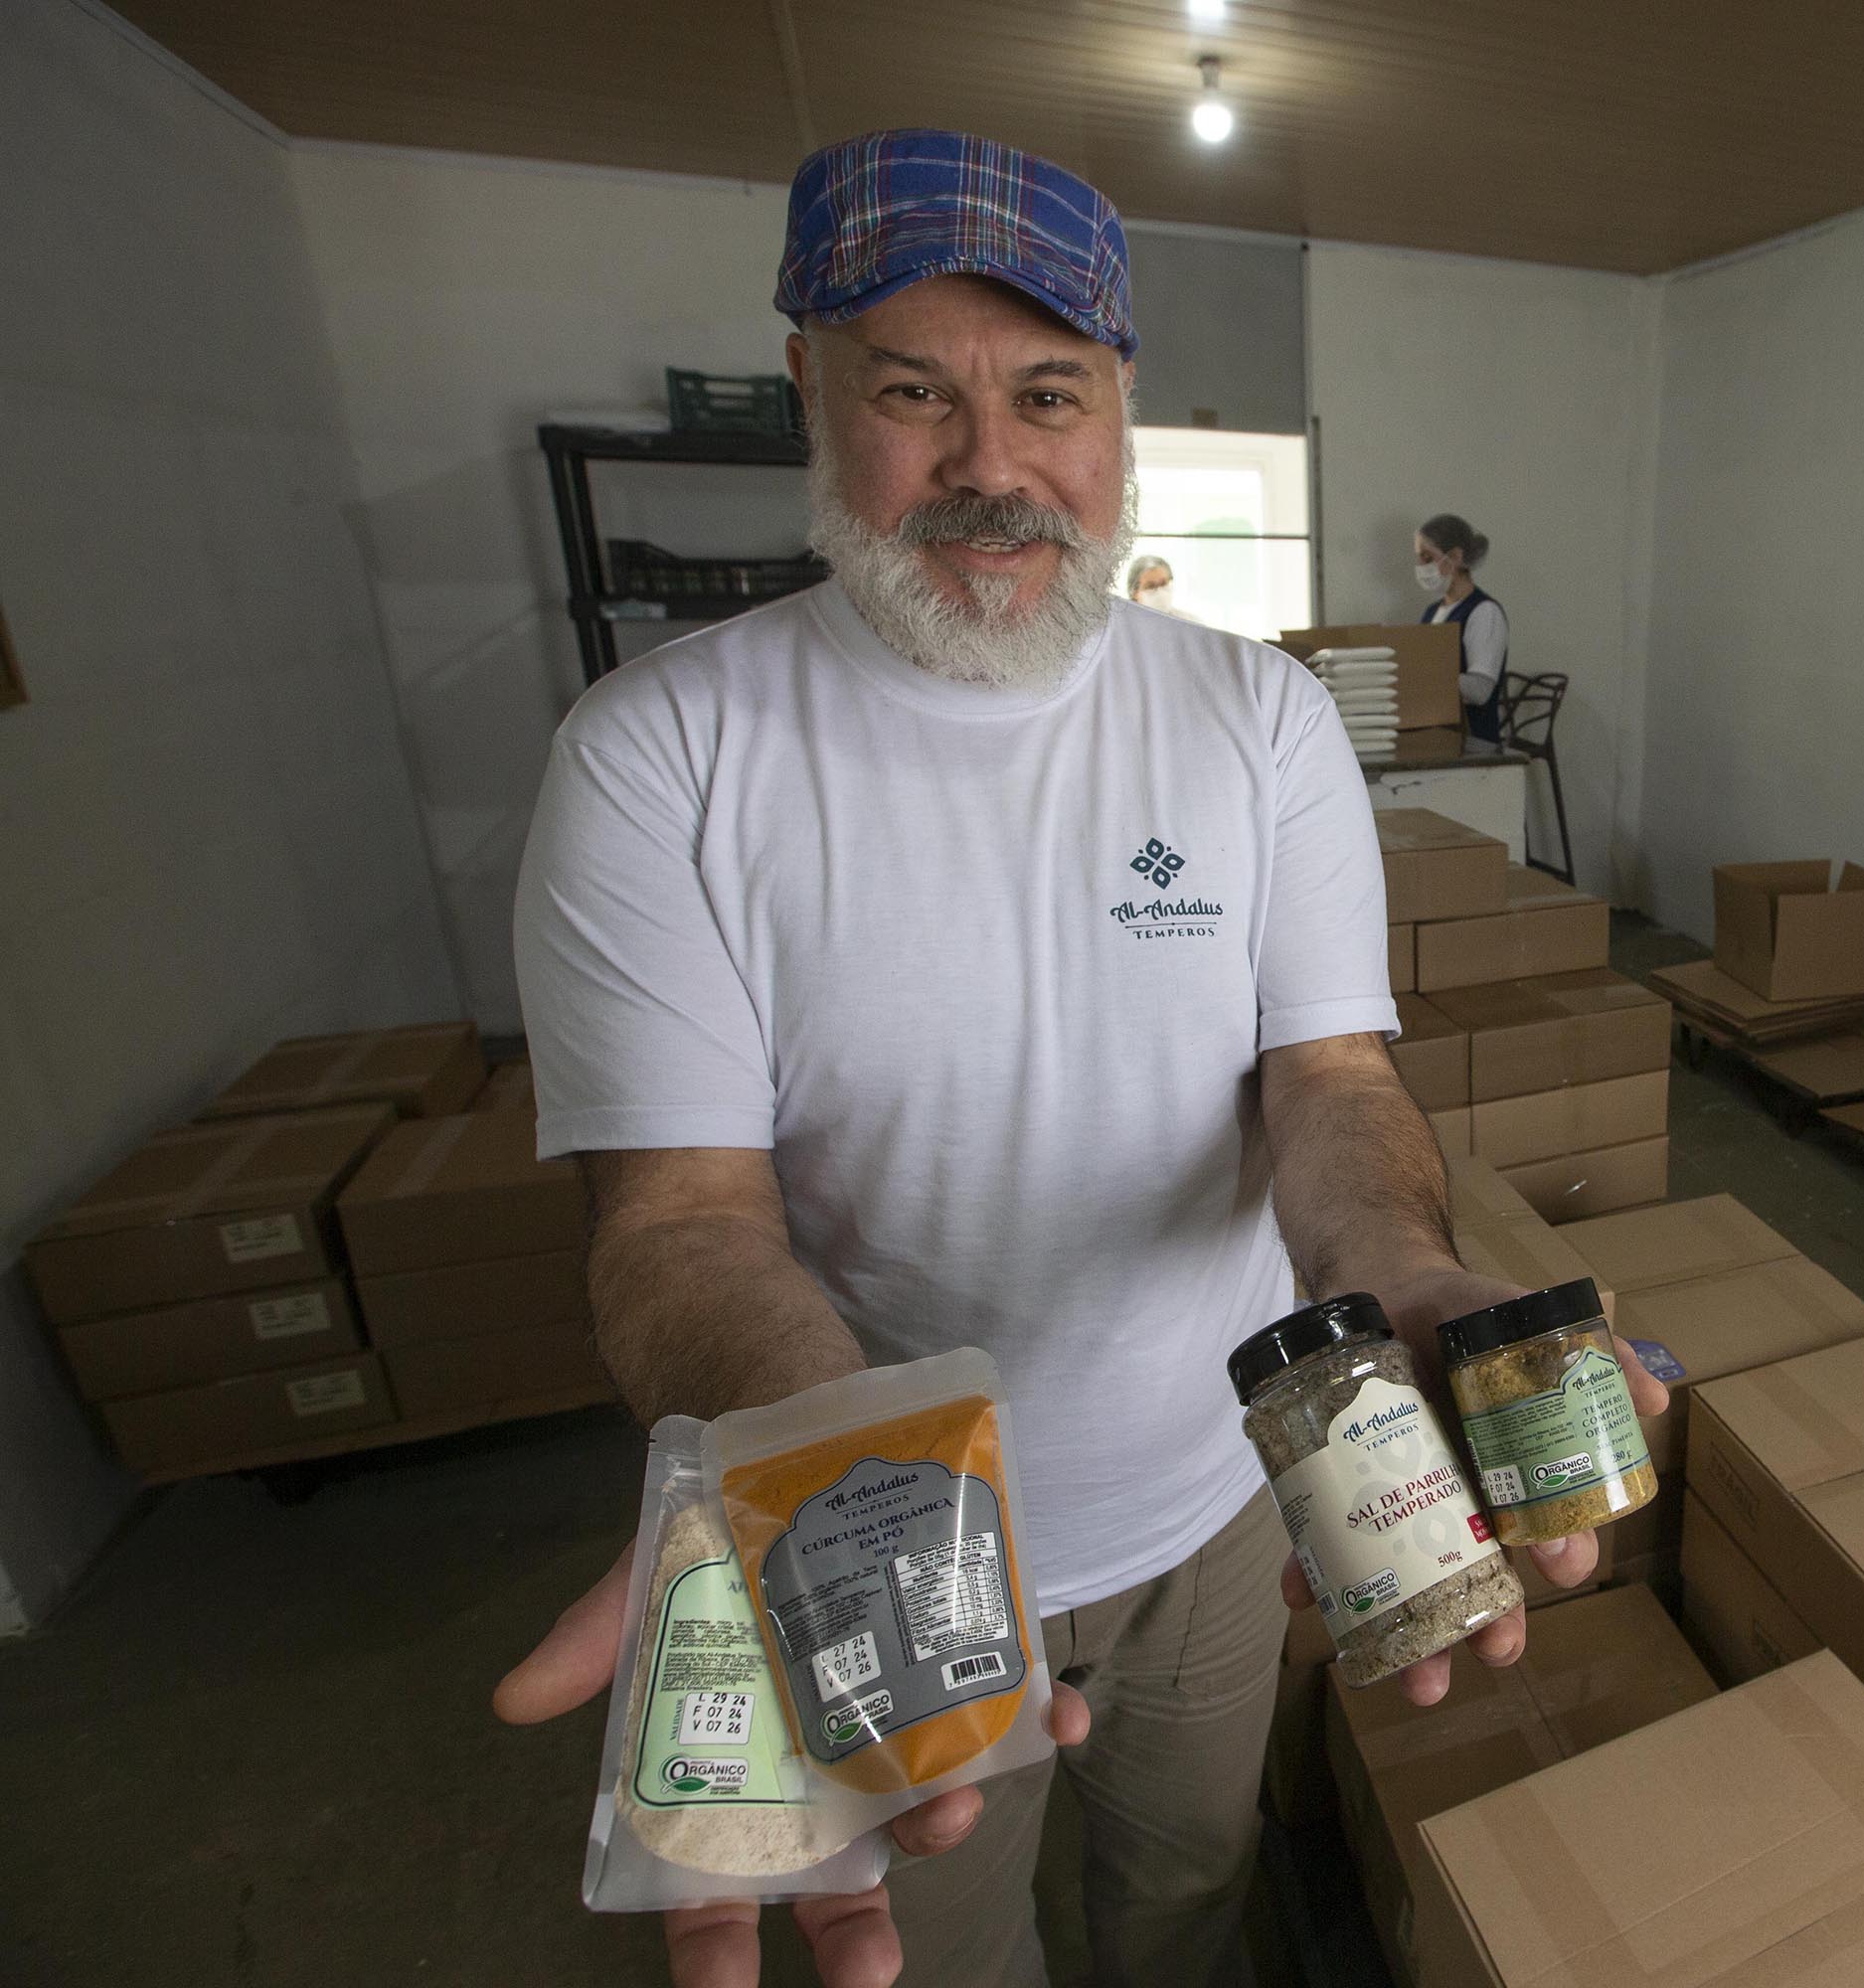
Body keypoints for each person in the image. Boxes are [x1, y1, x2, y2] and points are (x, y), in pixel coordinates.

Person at [492, 129, 1662, 1988]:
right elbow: (681, 1221)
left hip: (1215, 1504)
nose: (989, 467)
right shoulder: (665, 757)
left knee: (1187, 1898)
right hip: (891, 1557)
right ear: (812, 390)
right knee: (940, 1952)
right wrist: (824, 1478)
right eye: (911, 394)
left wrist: (1409, 1276)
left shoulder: (1255, 720)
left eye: (1049, 394)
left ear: (1119, 410)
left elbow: (1331, 1091)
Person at [1414, 514, 1507, 746]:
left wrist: (1423, 679)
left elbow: (1480, 689)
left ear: (1455, 556)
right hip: (1437, 736)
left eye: (1428, 558)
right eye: (1420, 559)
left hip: (1473, 741)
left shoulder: (1484, 612)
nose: (1422, 567)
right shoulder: (1433, 612)